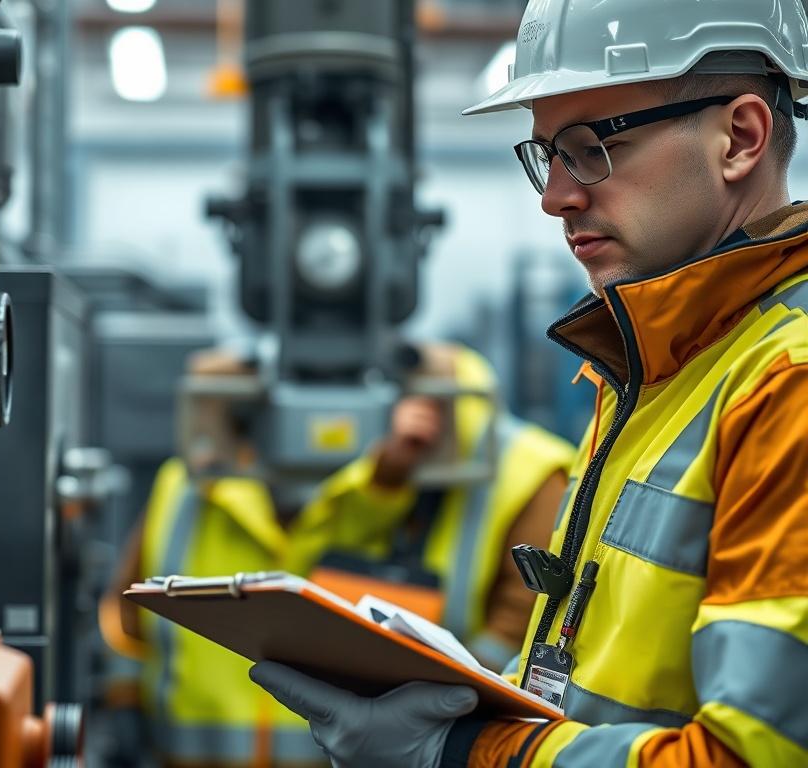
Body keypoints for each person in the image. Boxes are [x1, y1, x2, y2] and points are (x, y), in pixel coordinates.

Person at [249, 1, 808, 767]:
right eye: (548, 154)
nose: (555, 197)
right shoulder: (658, 372)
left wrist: (469, 750)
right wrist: (477, 690)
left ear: (740, 138)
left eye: (590, 148)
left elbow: (752, 758)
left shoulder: (787, 383)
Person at [101, 341, 573, 767]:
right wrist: (121, 701)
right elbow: (125, 613)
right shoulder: (188, 484)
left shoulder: (510, 475)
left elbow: (527, 640)